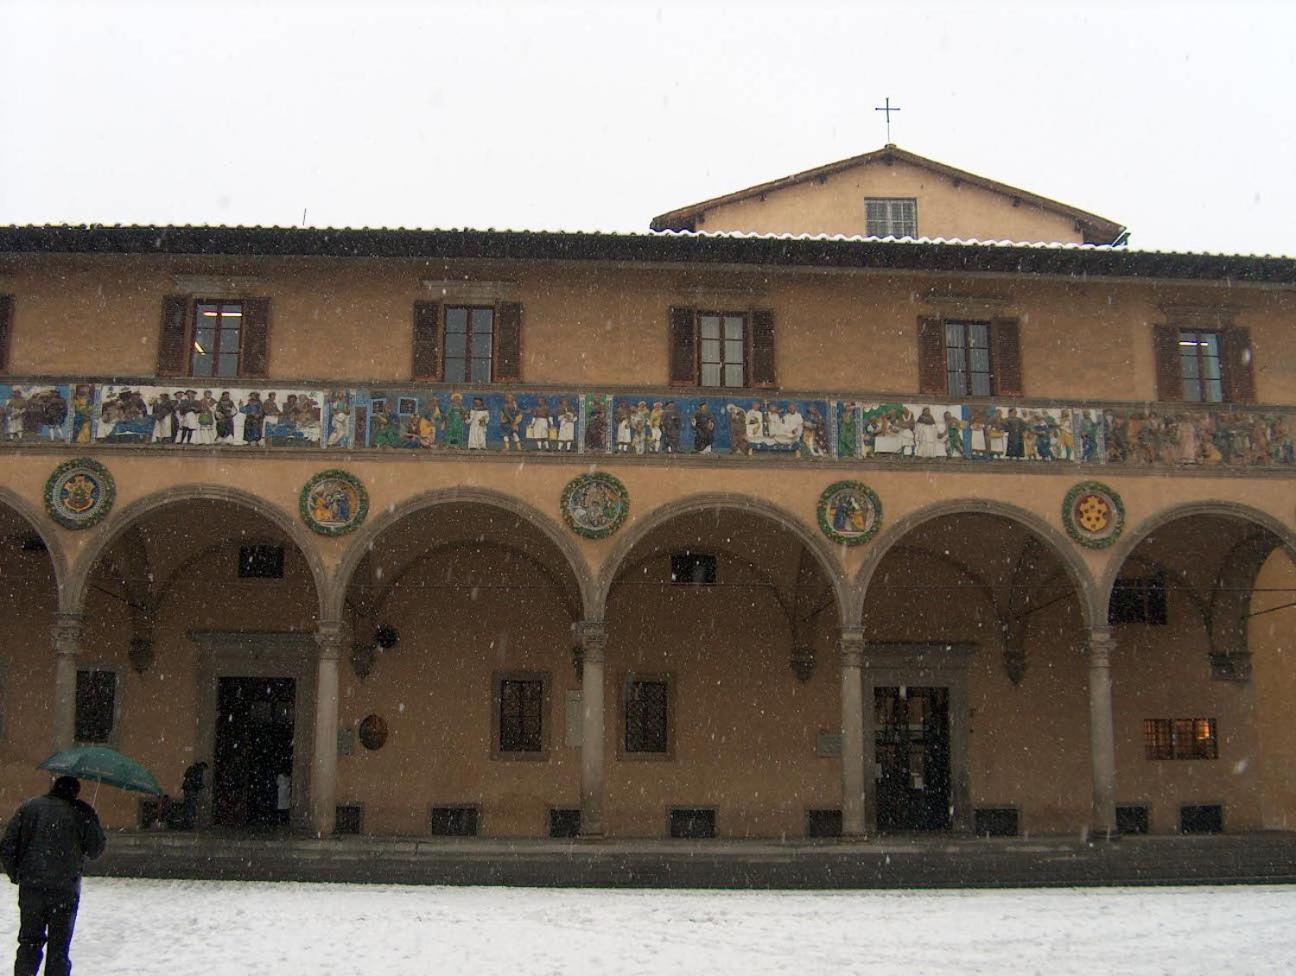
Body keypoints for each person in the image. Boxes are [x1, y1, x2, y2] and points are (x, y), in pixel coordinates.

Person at [0, 775, 106, 976]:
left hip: (32, 888)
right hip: (65, 891)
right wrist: (91, 817)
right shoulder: (81, 812)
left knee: (29, 943)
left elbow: (7, 845)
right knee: (59, 950)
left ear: (53, 788)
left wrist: (16, 874)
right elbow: (95, 849)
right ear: (75, 792)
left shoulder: (29, 807)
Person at [180, 761, 208, 830]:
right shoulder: (198, 771)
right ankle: (189, 823)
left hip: (187, 789)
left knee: (188, 806)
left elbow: (186, 776)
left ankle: (187, 822)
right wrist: (201, 786)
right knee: (191, 806)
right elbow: (196, 781)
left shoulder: (192, 768)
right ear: (203, 766)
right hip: (191, 790)